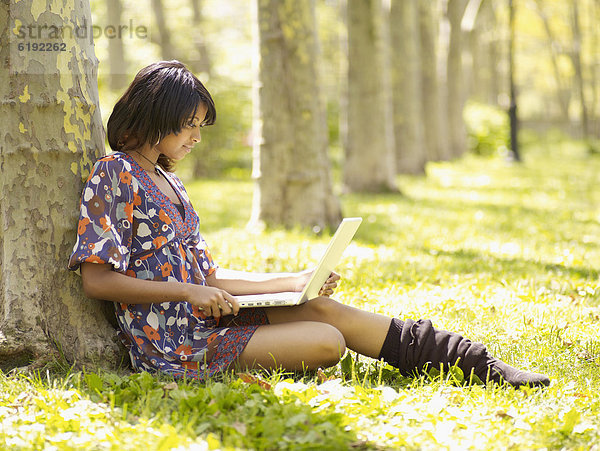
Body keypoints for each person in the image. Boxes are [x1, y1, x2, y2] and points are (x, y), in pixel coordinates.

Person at [68, 61, 550, 388]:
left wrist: (297, 282)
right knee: (326, 341)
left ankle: (478, 363)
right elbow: (97, 279)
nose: (197, 136)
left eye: (200, 126)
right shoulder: (115, 174)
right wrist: (187, 293)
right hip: (174, 342)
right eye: (190, 125)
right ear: (157, 116)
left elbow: (209, 279)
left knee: (330, 310)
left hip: (206, 314)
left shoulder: (171, 184)